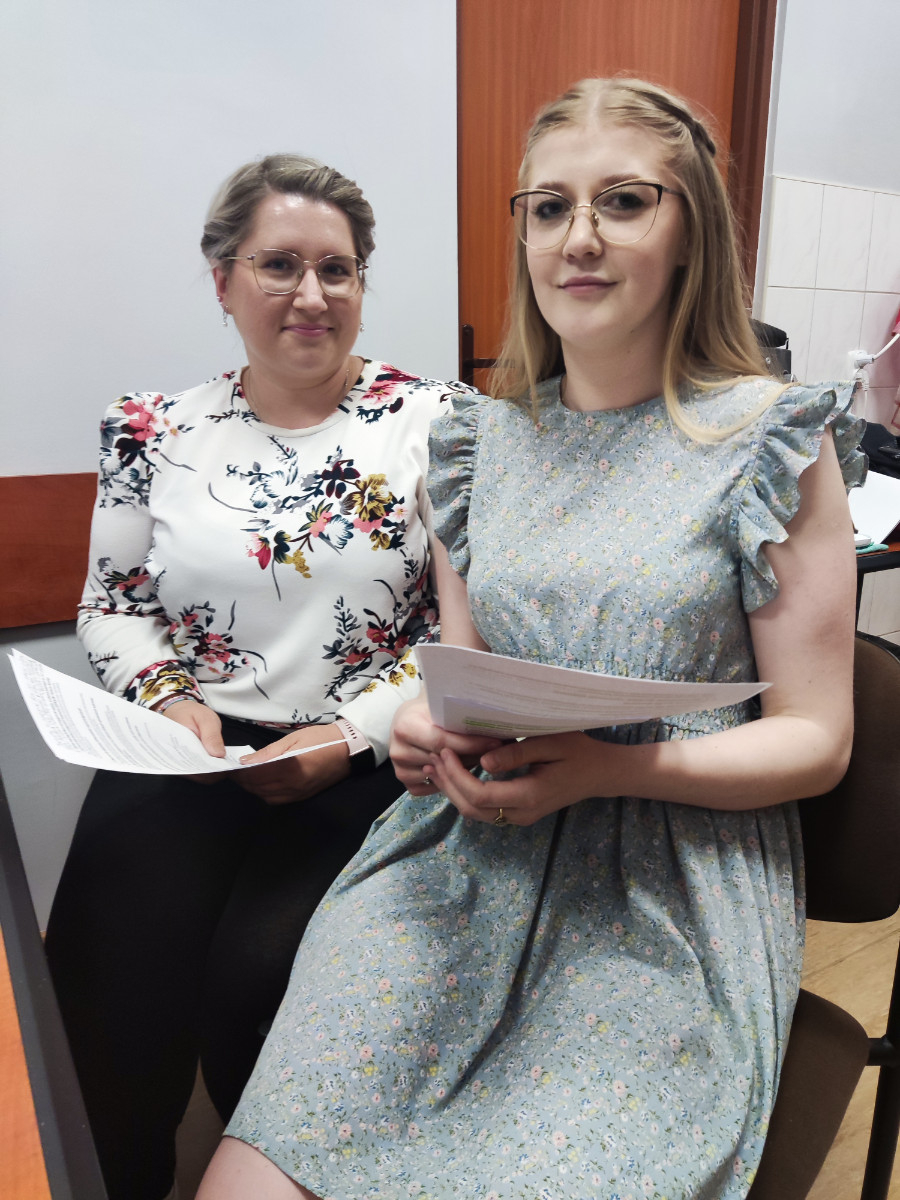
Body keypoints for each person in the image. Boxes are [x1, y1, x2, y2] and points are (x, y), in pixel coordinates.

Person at [197, 79, 863, 1200]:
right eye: (550, 208)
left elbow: (818, 740)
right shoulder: (477, 443)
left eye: (625, 202)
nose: (579, 238)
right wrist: (427, 733)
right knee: (267, 1167)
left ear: (690, 229)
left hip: (665, 892)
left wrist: (612, 768)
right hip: (464, 861)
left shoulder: (768, 440)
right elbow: (465, 684)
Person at [43, 154, 470, 1200]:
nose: (312, 295)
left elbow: (459, 632)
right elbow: (115, 605)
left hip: (368, 757)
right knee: (108, 981)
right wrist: (173, 702)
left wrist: (351, 735)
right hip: (185, 745)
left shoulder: (440, 422)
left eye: (339, 269)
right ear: (224, 280)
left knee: (265, 982)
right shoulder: (152, 429)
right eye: (281, 265)